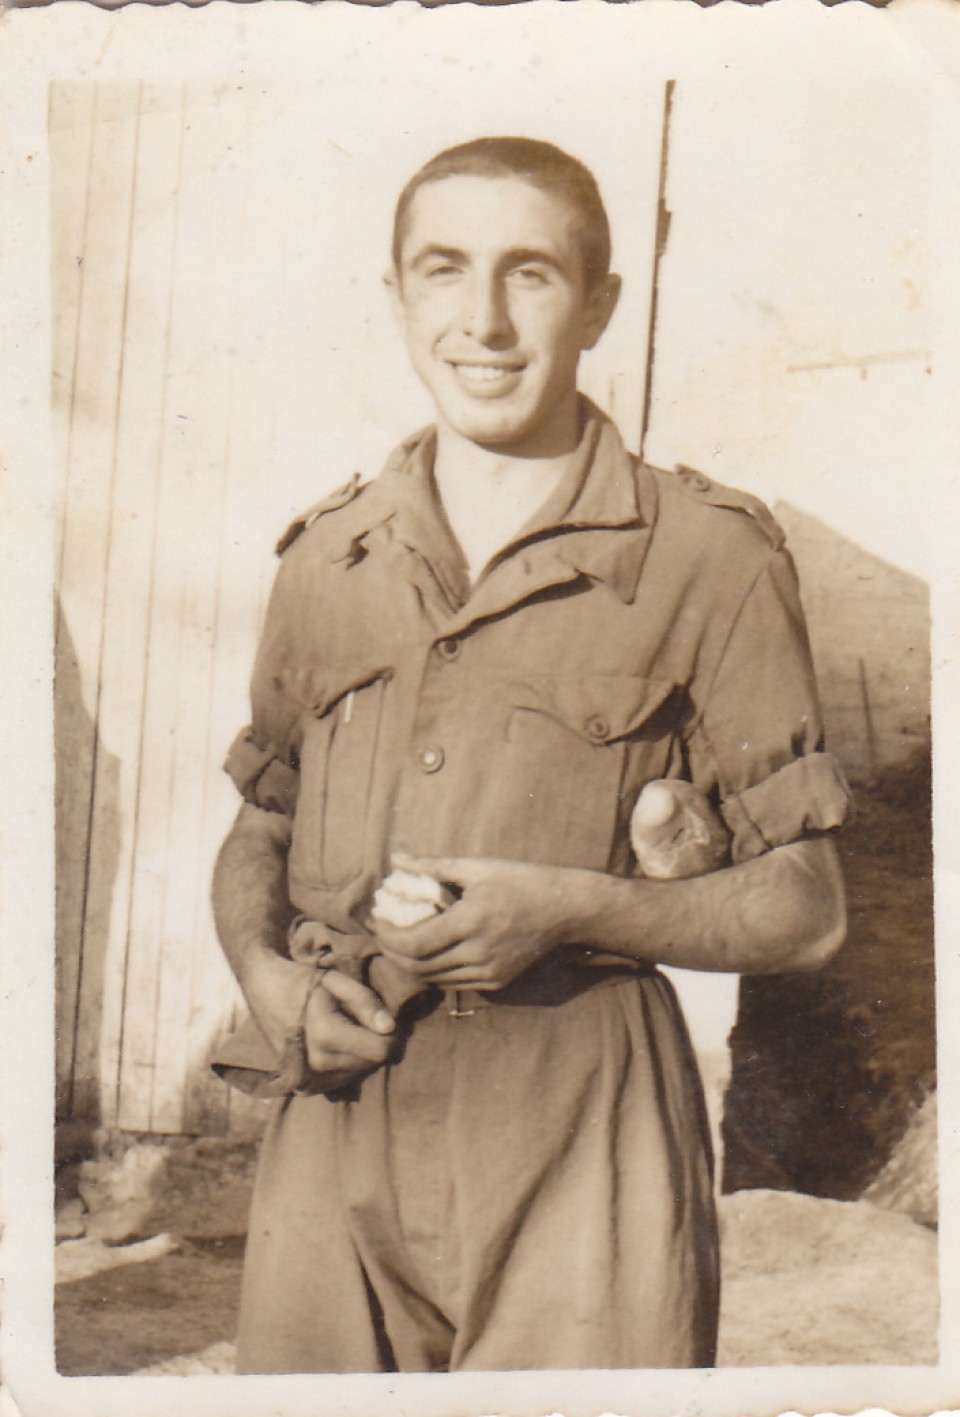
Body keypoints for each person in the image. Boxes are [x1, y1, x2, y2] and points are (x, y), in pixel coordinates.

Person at [211, 136, 850, 1374]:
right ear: (396, 294)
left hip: (580, 1130)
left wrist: (571, 908)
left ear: (601, 303)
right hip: (330, 1129)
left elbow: (810, 911)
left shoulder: (711, 558)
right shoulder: (324, 559)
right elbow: (262, 825)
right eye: (444, 271)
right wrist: (264, 976)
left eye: (533, 275)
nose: (485, 322)